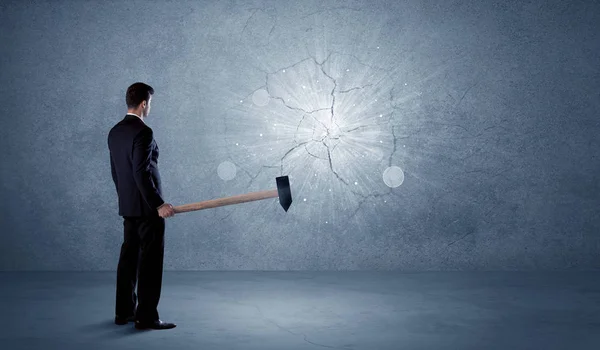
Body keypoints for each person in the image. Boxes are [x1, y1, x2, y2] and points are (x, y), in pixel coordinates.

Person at [107, 82, 176, 330]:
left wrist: (126, 200)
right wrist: (158, 204)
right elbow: (141, 172)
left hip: (128, 207)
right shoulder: (144, 132)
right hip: (148, 209)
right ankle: (146, 317)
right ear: (144, 103)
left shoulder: (115, 132)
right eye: (151, 103)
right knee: (150, 262)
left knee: (128, 259)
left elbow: (116, 173)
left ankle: (124, 313)